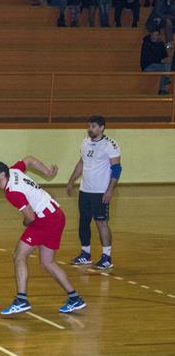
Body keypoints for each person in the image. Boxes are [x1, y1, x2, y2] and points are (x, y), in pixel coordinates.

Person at [0, 157, 86, 315]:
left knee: (19, 255)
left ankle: (21, 299)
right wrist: (47, 172)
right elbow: (29, 160)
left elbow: (31, 217)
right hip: (57, 215)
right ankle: (75, 298)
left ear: (2, 175)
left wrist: (25, 222)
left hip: (45, 220)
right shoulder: (13, 170)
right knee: (47, 262)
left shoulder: (12, 192)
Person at [66, 115, 121, 270]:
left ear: (102, 128)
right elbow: (81, 163)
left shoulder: (110, 145)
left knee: (101, 223)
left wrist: (109, 190)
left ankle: (106, 257)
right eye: (89, 126)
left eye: (93, 126)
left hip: (100, 192)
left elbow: (117, 169)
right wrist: (71, 181)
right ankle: (85, 254)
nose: (90, 129)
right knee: (84, 221)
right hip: (85, 190)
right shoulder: (85, 142)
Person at [140, 26, 172, 95]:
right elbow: (147, 58)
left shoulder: (161, 43)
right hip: (148, 66)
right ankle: (164, 86)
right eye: (153, 35)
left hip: (158, 64)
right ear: (150, 34)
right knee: (164, 68)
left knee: (168, 62)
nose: (154, 37)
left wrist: (167, 59)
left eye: (156, 35)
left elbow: (165, 55)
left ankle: (166, 80)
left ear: (159, 36)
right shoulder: (146, 43)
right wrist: (160, 60)